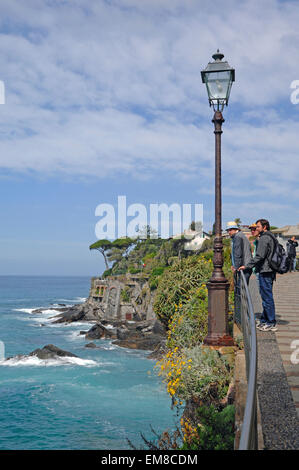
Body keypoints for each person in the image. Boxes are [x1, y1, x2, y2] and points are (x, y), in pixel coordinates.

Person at [239, 219, 277, 332]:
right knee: (266, 296)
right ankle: (265, 320)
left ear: (264, 227)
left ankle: (271, 323)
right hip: (269, 270)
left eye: (258, 226)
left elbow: (259, 256)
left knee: (267, 298)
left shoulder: (264, 238)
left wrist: (246, 266)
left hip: (265, 270)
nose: (256, 228)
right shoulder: (271, 237)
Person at [225, 221, 253, 325]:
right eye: (228, 230)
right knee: (242, 292)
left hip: (243, 269)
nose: (229, 232)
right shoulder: (242, 236)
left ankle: (244, 318)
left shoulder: (237, 237)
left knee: (242, 293)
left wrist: (236, 267)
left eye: (230, 230)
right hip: (246, 268)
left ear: (234, 229)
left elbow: (238, 254)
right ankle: (243, 317)